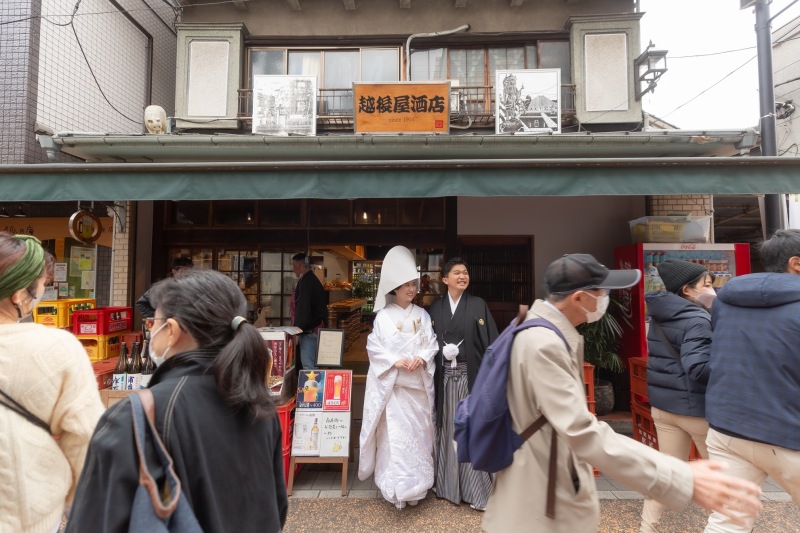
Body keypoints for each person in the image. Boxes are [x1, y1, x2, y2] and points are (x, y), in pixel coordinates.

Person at [483, 253, 763, 533]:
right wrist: (680, 477)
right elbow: (582, 430)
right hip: (540, 496)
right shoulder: (544, 344)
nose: (606, 298)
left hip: (543, 480)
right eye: (602, 292)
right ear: (580, 298)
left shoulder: (537, 329)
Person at [66, 269, 288, 532]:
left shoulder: (135, 418)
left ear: (171, 330)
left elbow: (92, 521)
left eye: (153, 323)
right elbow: (276, 509)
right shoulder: (258, 406)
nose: (151, 332)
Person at [0, 233, 104, 533]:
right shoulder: (57, 347)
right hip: (23, 511)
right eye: (42, 286)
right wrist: (68, 498)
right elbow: (85, 440)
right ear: (20, 293)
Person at [703, 229, 800, 533]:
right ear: (796, 263)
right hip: (789, 432)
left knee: (728, 523)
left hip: (728, 429)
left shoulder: (725, 300)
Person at [358, 246, 439, 509]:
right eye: (405, 285)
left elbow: (432, 343)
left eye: (413, 284)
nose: (411, 289)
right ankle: (395, 491)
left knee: (418, 438)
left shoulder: (423, 315)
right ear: (395, 287)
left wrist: (422, 357)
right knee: (395, 442)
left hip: (416, 389)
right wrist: (395, 360)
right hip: (393, 389)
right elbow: (374, 347)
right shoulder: (383, 317)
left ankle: (417, 488)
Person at [639, 259, 716, 533]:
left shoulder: (660, 314)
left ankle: (647, 528)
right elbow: (698, 369)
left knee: (667, 475)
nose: (712, 291)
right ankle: (727, 527)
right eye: (706, 285)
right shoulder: (697, 319)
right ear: (687, 289)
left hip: (664, 408)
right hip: (696, 410)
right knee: (724, 477)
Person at [428, 257, 499, 510]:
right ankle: (448, 486)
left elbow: (492, 343)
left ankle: (477, 491)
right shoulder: (434, 309)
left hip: (471, 378)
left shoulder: (478, 305)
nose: (462, 276)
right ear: (445, 279)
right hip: (445, 380)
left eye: (465, 273)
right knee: (448, 430)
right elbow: (425, 345)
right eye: (457, 273)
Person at [291, 252, 327, 370]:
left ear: (302, 266)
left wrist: (299, 329)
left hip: (309, 331)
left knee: (309, 366)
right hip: (314, 328)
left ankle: (313, 389)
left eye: (295, 267)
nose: (293, 269)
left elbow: (304, 309)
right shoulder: (311, 280)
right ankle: (315, 388)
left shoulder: (307, 283)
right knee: (312, 364)